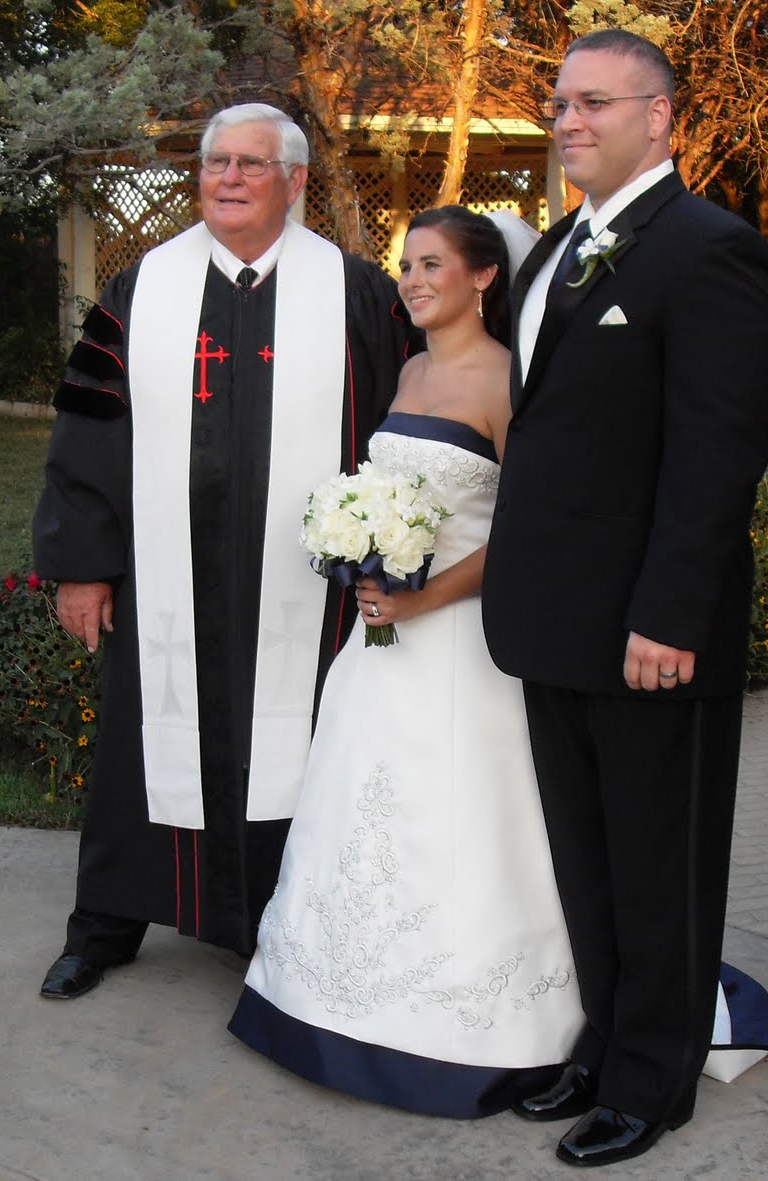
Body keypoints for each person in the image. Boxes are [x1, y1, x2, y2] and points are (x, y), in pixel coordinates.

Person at [481, 30, 768, 1168]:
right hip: (553, 616)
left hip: (648, 627)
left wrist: (667, 614)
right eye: (558, 102)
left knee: (659, 860)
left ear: (659, 117)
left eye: (592, 102)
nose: (567, 120)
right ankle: (605, 1041)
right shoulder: (559, 243)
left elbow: (715, 457)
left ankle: (653, 1080)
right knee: (588, 855)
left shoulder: (710, 251)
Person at [31, 103, 412, 1000]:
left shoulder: (357, 294)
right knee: (141, 744)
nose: (228, 179)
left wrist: (393, 553)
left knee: (301, 744)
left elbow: (403, 431)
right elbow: (86, 430)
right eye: (214, 164)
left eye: (249, 164)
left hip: (308, 591)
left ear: (296, 182)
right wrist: (83, 562)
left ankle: (271, 924)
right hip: (170, 579)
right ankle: (107, 923)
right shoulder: (141, 290)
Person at [225, 206, 588, 1116]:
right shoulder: (414, 367)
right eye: (405, 265)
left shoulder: (510, 383)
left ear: (482, 278)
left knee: (458, 817)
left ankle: (470, 1028)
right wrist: (361, 555)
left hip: (462, 643)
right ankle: (322, 1001)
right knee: (358, 803)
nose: (412, 280)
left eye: (431, 264)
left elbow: (524, 529)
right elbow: (389, 492)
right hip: (381, 642)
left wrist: (424, 595)